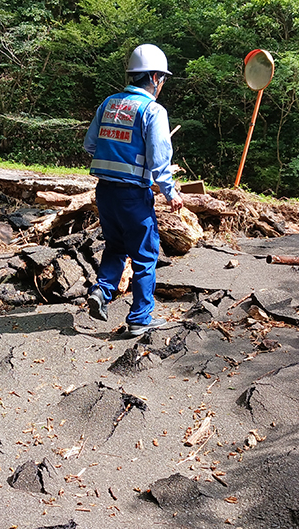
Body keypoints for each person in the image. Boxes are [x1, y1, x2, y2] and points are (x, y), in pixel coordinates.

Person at [83, 44, 183, 337]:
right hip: (133, 196)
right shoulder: (152, 110)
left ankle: (101, 291)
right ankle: (140, 317)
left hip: (105, 192)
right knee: (145, 254)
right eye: (162, 78)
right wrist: (170, 191)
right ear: (153, 77)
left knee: (115, 246)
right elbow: (159, 157)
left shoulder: (109, 103)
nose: (162, 84)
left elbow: (90, 144)